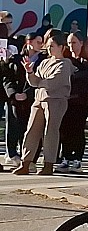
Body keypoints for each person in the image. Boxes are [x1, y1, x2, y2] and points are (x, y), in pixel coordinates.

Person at [13, 29, 73, 175]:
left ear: (61, 47)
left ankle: (48, 164)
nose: (49, 48)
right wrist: (30, 72)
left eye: (53, 45)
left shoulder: (65, 64)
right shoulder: (45, 62)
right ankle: (26, 162)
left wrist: (39, 81)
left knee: (50, 131)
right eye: (49, 45)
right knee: (31, 130)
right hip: (39, 99)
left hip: (56, 101)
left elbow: (52, 82)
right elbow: (35, 82)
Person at [3, 33, 46, 169]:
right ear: (29, 42)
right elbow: (7, 78)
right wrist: (14, 93)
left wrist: (27, 94)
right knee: (14, 126)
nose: (41, 45)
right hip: (15, 100)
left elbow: (41, 81)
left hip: (33, 99)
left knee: (31, 129)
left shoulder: (43, 60)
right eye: (38, 41)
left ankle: (29, 158)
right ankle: (13, 154)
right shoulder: (16, 60)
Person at [57, 32, 88, 173]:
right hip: (66, 101)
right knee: (65, 130)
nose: (71, 46)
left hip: (80, 101)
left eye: (74, 43)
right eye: (69, 43)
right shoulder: (67, 61)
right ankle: (66, 157)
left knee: (77, 130)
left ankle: (77, 159)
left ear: (81, 43)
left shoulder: (87, 63)